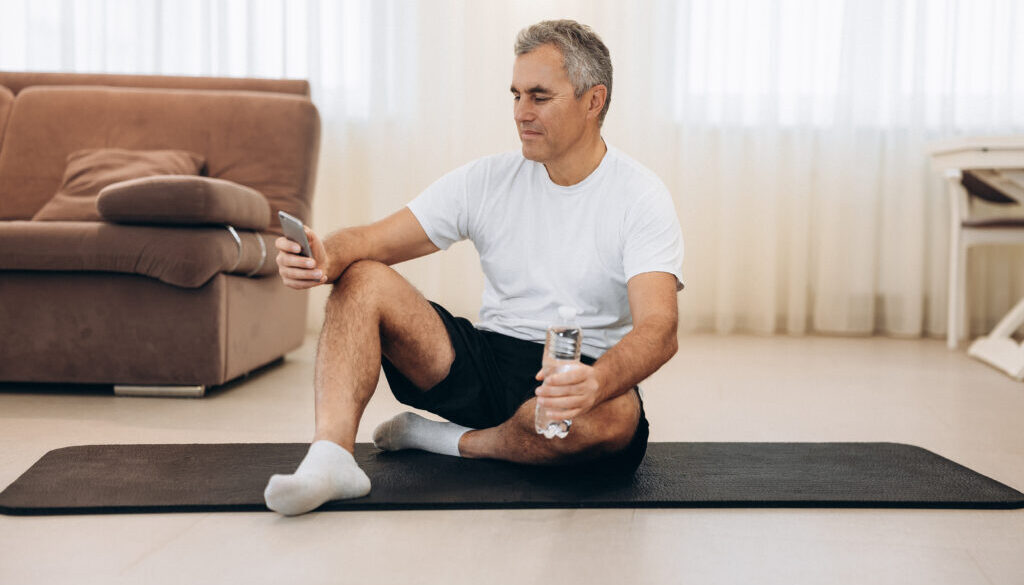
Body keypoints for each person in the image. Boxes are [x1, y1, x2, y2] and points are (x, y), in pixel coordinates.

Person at [263, 19, 684, 516]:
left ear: (594, 101)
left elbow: (660, 328)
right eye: (516, 95)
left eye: (539, 97)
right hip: (484, 362)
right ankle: (331, 456)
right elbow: (371, 239)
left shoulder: (640, 196)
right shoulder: (487, 180)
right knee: (363, 275)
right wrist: (325, 255)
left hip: (576, 375)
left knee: (616, 419)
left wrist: (596, 382)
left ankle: (455, 442)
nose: (521, 113)